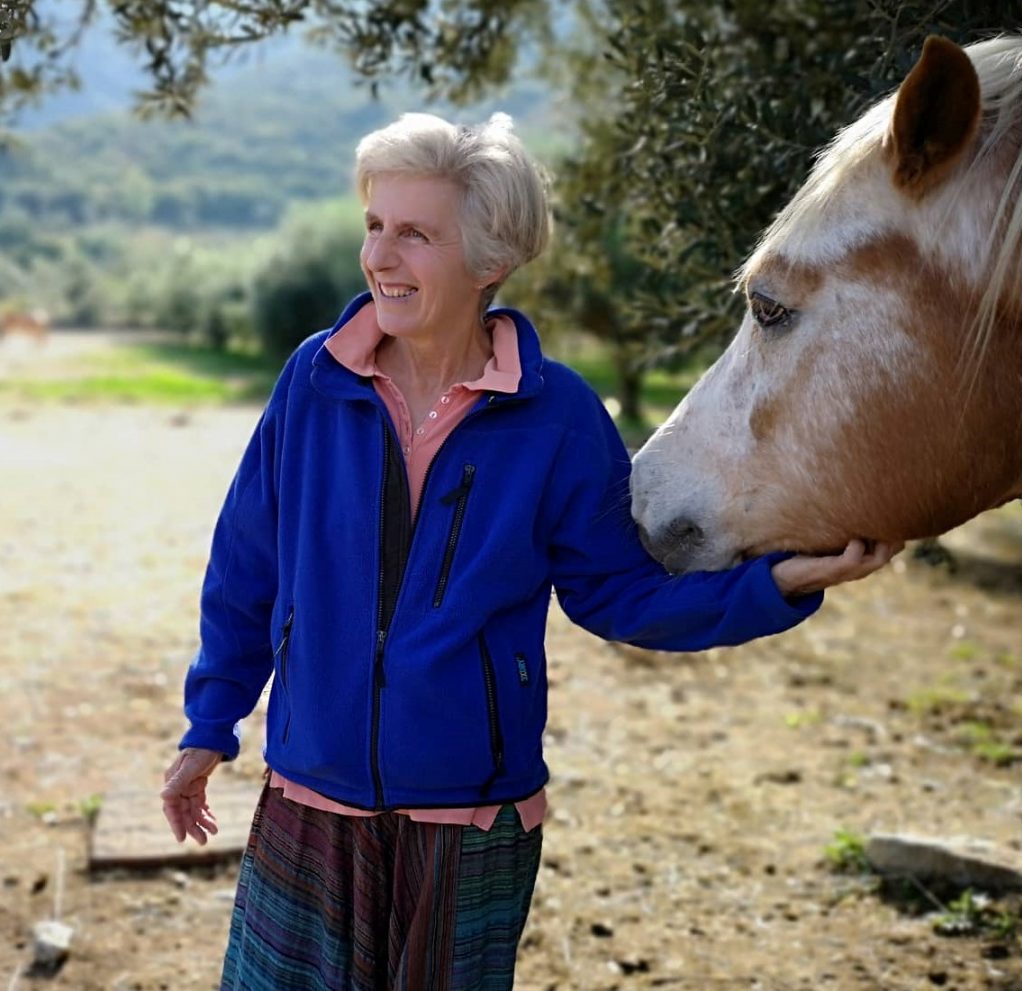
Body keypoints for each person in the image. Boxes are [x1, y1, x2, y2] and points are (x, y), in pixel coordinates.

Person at [161, 111, 900, 991]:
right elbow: (248, 564)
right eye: (374, 226)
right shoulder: (314, 380)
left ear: (490, 261)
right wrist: (210, 723)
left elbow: (619, 593)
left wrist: (772, 585)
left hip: (471, 821)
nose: (380, 257)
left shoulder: (557, 416)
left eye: (414, 234)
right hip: (309, 800)